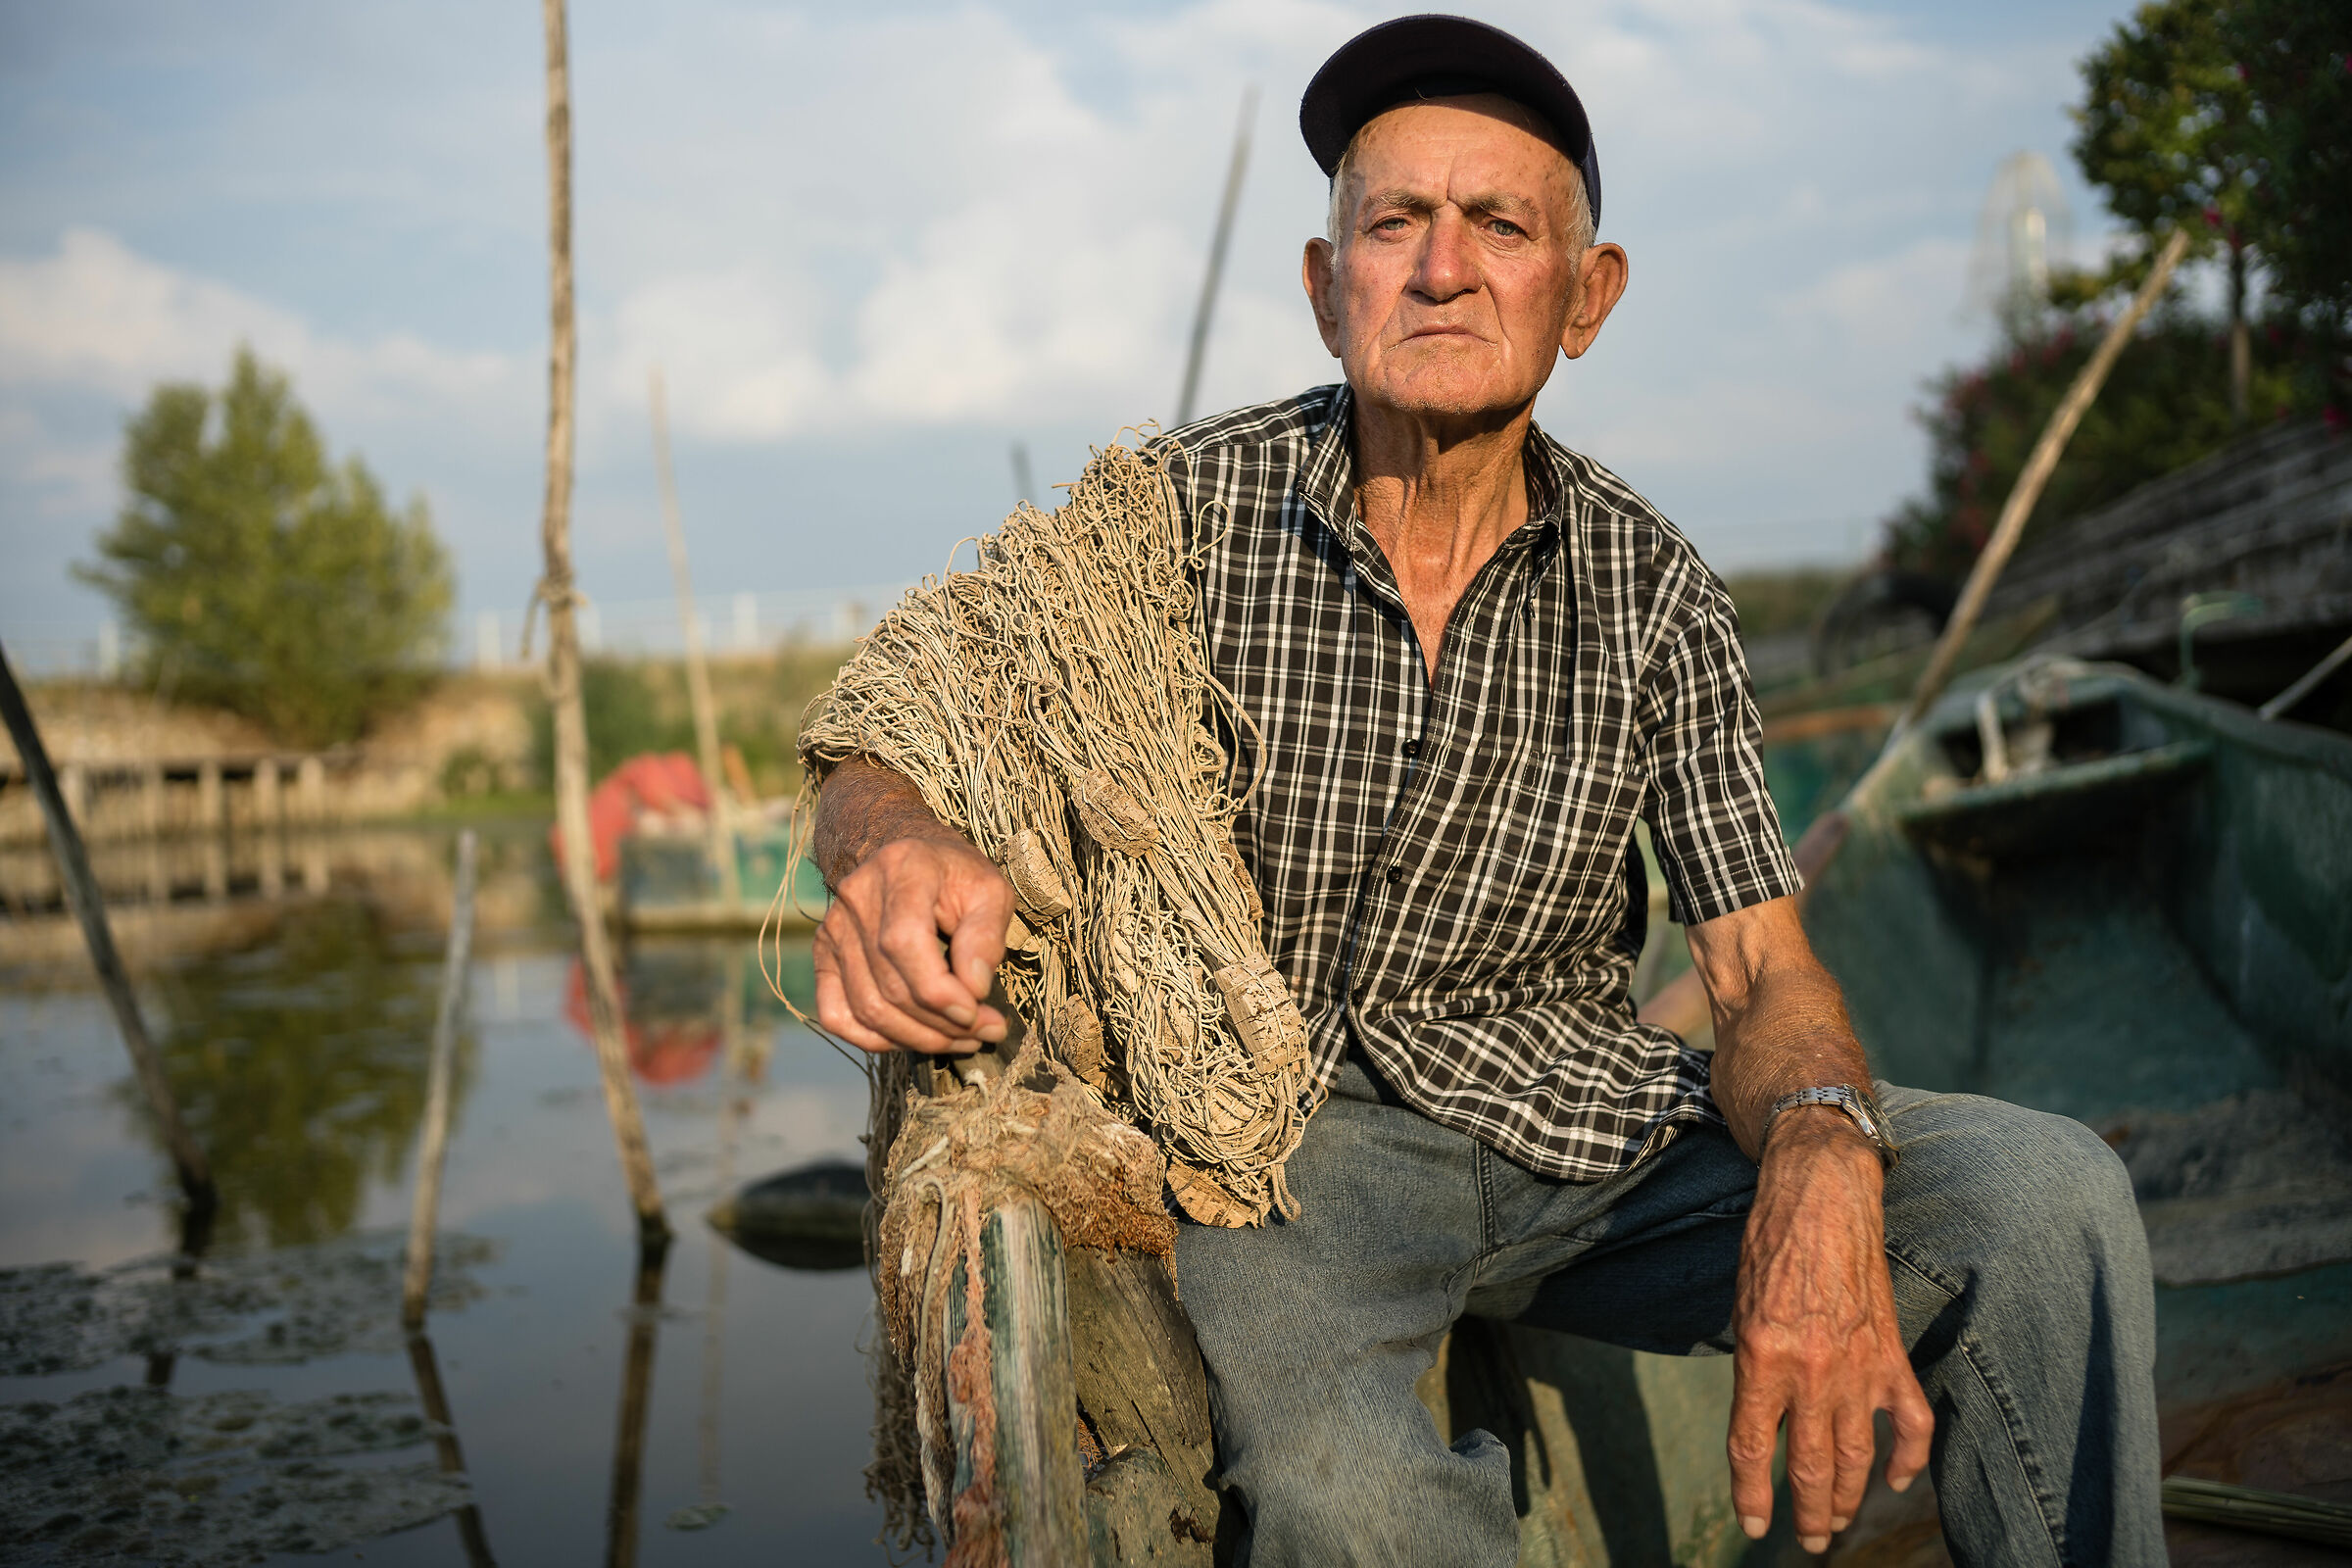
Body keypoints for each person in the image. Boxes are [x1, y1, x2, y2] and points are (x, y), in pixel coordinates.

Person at [808, 16, 2162, 1565]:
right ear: (1329, 293)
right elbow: (898, 708)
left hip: (1591, 1119)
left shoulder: (1654, 595)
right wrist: (892, 840)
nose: (1440, 268)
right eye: (1393, 224)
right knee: (1350, 1500)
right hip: (1290, 1156)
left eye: (1499, 227)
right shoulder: (1172, 526)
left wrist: (1823, 1139)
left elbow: (1761, 966)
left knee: (2046, 1203)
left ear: (1587, 299)